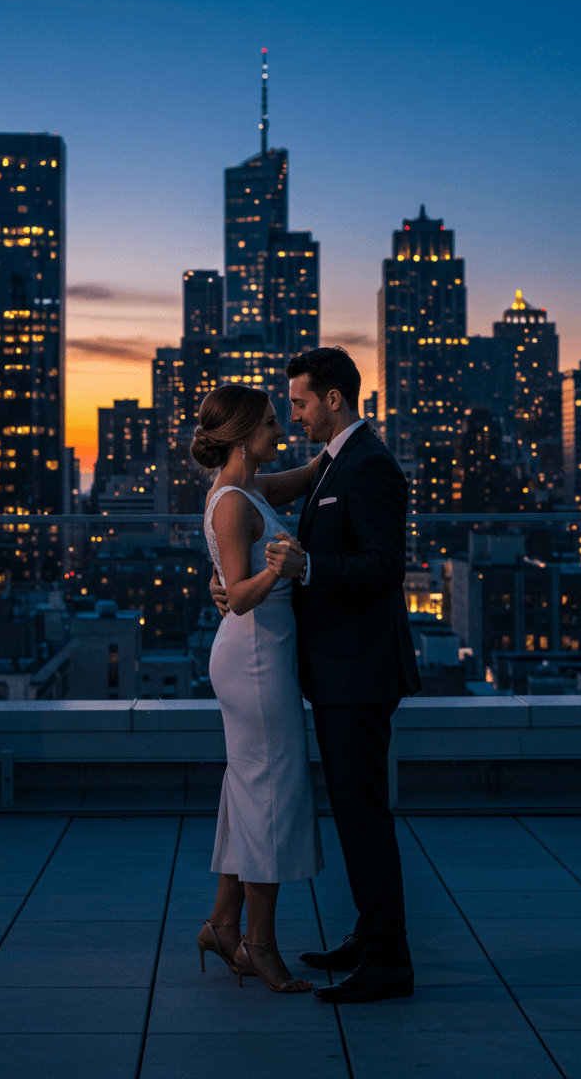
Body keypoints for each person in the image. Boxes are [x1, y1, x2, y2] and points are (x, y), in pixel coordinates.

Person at [213, 347, 421, 1005]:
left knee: (364, 818)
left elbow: (386, 568)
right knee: (353, 812)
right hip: (331, 669)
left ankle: (389, 960)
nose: (293, 413)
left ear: (334, 399)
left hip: (358, 672)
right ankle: (369, 935)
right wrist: (241, 585)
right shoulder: (337, 463)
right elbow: (245, 513)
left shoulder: (371, 466)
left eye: (299, 402)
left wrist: (302, 572)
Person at [192, 383, 324, 994]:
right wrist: (279, 565)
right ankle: (259, 945)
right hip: (253, 660)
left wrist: (339, 444)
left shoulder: (250, 489)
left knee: (251, 792)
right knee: (270, 796)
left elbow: (300, 476)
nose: (282, 431)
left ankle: (222, 925)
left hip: (261, 659)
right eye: (272, 424)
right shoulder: (231, 502)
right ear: (244, 435)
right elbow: (238, 598)